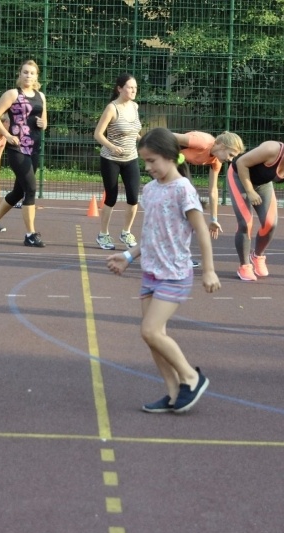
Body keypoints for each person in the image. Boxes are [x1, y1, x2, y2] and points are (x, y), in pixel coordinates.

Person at [107, 127, 221, 414]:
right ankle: (172, 393)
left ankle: (191, 377)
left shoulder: (183, 190)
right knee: (151, 336)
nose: (147, 168)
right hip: (150, 272)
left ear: (172, 157)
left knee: (151, 330)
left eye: (152, 161)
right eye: (144, 162)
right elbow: (150, 233)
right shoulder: (151, 189)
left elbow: (202, 232)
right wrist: (128, 256)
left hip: (175, 273)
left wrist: (209, 270)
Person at [230, 131, 284, 281]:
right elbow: (241, 163)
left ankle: (257, 256)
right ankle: (244, 266)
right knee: (245, 223)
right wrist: (250, 191)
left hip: (263, 184)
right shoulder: (272, 149)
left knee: (270, 223)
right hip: (239, 177)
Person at [0, 60, 48, 247]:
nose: (28, 76)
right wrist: (6, 134)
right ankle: (30, 235)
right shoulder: (13, 94)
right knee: (30, 189)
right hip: (17, 148)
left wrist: (43, 124)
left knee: (19, 191)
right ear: (20, 75)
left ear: (36, 77)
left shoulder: (41, 96)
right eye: (25, 72)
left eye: (32, 73)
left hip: (34, 147)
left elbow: (44, 120)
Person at [94, 73, 142, 250]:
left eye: (135, 88)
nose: (133, 90)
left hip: (131, 158)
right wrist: (112, 146)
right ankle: (103, 234)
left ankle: (126, 232)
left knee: (133, 198)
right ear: (120, 89)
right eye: (130, 87)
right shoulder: (112, 108)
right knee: (111, 197)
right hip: (111, 159)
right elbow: (98, 134)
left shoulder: (135, 106)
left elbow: (133, 130)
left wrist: (143, 140)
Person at [174, 131, 245, 238]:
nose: (230, 160)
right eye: (230, 155)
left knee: (193, 200)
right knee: (187, 192)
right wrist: (144, 140)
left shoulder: (216, 161)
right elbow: (168, 136)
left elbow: (213, 190)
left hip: (175, 163)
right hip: (164, 156)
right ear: (222, 146)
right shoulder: (202, 142)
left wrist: (214, 219)